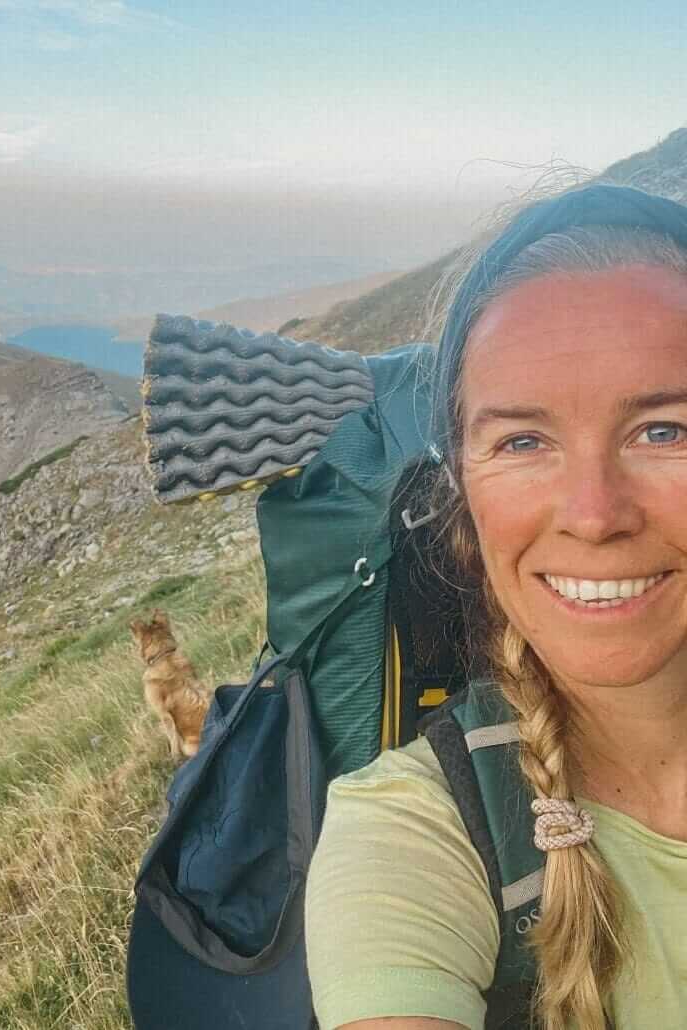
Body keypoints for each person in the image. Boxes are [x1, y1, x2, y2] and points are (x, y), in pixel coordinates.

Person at [304, 183, 687, 1030]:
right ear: (464, 505)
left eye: (664, 430)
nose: (593, 514)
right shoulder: (408, 835)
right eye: (523, 441)